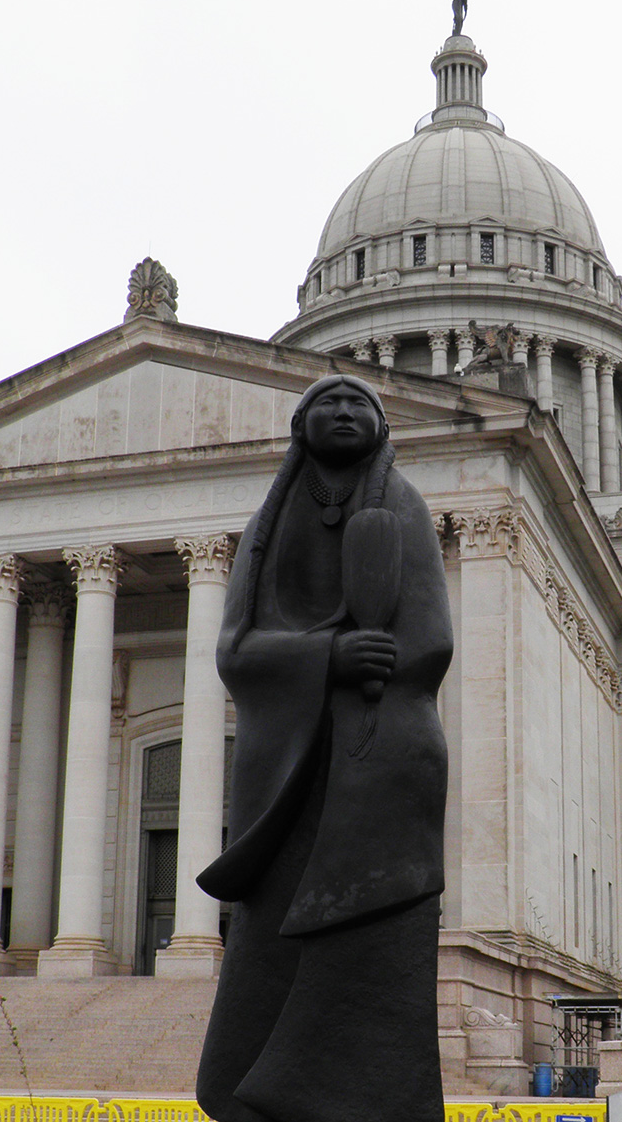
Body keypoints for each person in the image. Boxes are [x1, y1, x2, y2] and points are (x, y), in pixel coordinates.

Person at [195, 374, 452, 1122]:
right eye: (327, 403)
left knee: (373, 944)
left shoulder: (404, 509)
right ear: (300, 423)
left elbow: (430, 640)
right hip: (285, 773)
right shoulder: (267, 525)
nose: (343, 412)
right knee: (271, 942)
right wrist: (328, 657)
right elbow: (235, 650)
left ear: (382, 424)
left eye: (358, 403)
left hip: (378, 765)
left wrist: (373, 668)